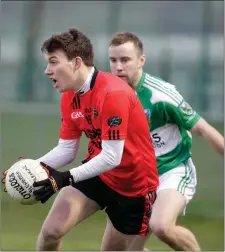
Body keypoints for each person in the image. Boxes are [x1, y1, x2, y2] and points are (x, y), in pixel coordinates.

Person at [2, 28, 159, 251]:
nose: (47, 71)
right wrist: (29, 168)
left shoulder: (114, 94)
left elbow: (112, 157)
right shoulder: (69, 96)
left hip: (134, 187)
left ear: (76, 63)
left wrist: (64, 177)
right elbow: (67, 149)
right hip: (98, 175)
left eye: (53, 62)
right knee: (50, 233)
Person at [108, 32, 224, 251]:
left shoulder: (161, 95)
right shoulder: (110, 95)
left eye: (125, 60)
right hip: (136, 180)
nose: (118, 67)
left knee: (161, 226)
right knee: (115, 249)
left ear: (141, 61)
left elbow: (203, 128)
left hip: (172, 171)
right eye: (113, 60)